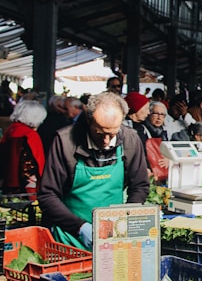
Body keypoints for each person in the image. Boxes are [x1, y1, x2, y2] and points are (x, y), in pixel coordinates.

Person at [38, 92, 150, 251]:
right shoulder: (64, 141)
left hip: (114, 237)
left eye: (112, 133)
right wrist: (80, 227)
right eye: (100, 133)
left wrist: (124, 219)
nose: (106, 141)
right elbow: (47, 195)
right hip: (69, 239)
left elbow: (140, 186)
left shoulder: (130, 139)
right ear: (88, 120)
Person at [0, 100, 47, 195]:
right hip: (26, 188)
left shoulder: (11, 130)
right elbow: (32, 165)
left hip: (8, 183)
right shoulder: (30, 135)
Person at [142, 101, 170, 182]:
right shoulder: (142, 130)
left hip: (163, 173)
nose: (159, 117)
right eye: (156, 113)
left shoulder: (164, 132)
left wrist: (169, 159)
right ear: (149, 114)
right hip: (148, 173)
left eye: (162, 115)